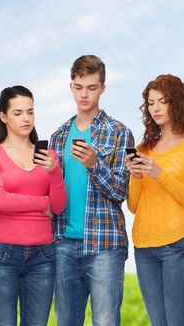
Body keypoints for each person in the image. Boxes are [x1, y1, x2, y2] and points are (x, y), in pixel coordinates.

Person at [50, 55, 134, 326]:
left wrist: (94, 164)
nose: (84, 94)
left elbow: (121, 191)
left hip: (105, 246)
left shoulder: (119, 133)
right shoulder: (58, 135)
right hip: (63, 242)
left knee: (106, 321)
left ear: (103, 88)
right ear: (71, 86)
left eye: (91, 87)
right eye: (78, 87)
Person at [125, 74, 184, 326]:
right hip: (143, 247)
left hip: (178, 248)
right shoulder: (142, 148)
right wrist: (136, 176)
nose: (156, 109)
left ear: (178, 103)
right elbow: (133, 207)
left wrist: (159, 174)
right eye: (151, 103)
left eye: (163, 101)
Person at [0, 86, 67, 326]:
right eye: (18, 113)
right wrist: (42, 203)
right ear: (3, 116)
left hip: (43, 255)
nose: (26, 118)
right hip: (1, 255)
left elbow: (59, 207)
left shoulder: (48, 156)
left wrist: (54, 172)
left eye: (30, 112)